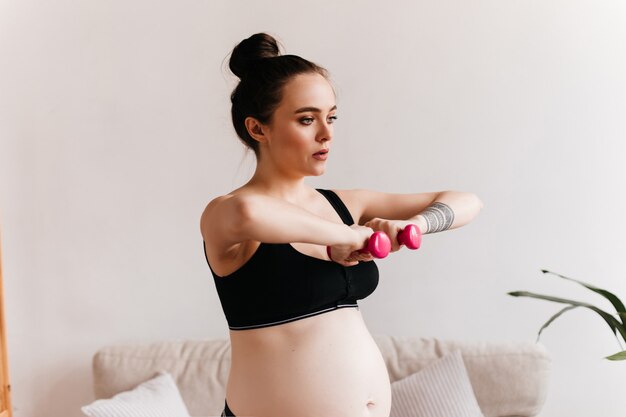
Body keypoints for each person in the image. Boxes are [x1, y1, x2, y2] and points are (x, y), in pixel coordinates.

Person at [200, 32, 484, 417]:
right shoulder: (226, 213)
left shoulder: (346, 204)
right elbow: (250, 215)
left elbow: (467, 202)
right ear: (258, 128)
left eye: (331, 117)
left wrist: (412, 225)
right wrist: (349, 235)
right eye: (306, 119)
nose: (327, 134)